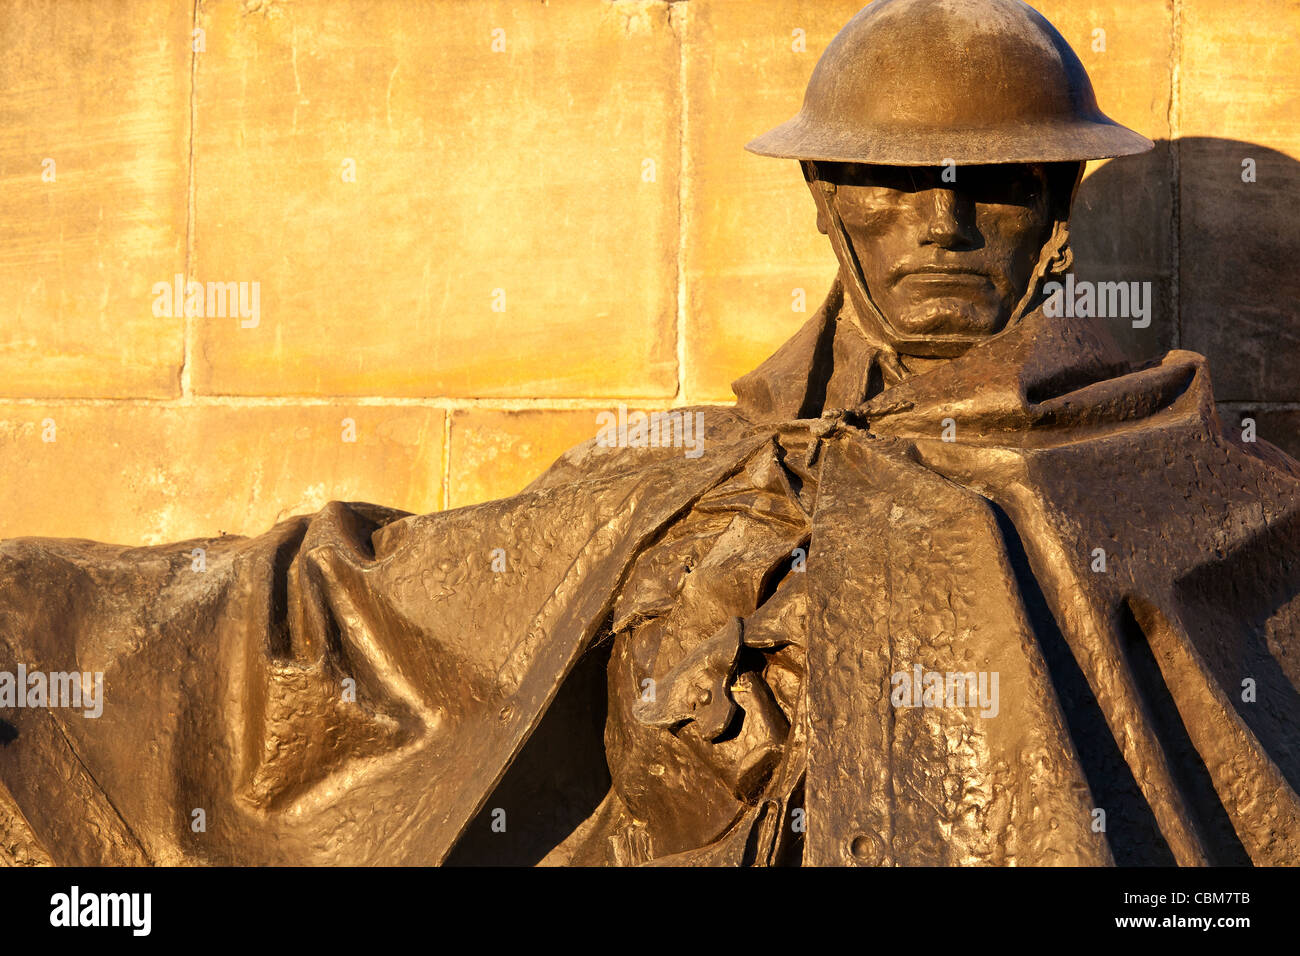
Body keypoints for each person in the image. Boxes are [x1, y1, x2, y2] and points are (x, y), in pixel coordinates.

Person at [3, 0, 1298, 867]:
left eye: (988, 184)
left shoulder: (1190, 489)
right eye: (894, 181)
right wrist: (44, 621)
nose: (939, 226)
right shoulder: (698, 480)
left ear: (1059, 198)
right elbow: (373, 613)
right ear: (822, 201)